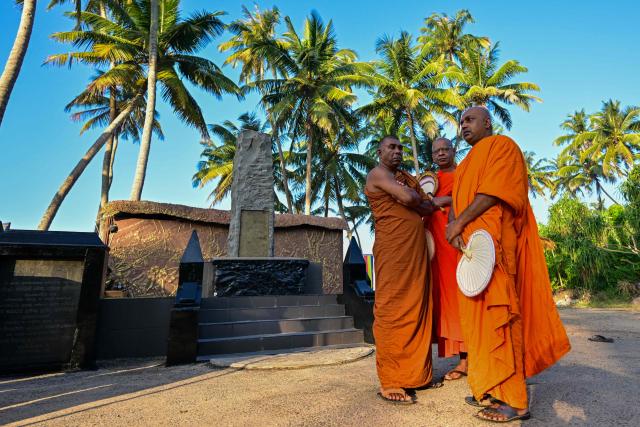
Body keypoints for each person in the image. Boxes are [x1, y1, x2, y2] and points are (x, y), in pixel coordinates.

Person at [446, 107, 571, 422]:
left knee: (503, 316)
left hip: (497, 249)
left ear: (487, 123)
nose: (464, 126)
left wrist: (458, 222)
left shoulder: (503, 146)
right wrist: (454, 229)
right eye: (461, 122)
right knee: (480, 324)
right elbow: (457, 204)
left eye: (470, 120)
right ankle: (490, 386)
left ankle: (515, 400)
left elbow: (494, 193)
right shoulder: (464, 166)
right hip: (473, 253)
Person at [365, 135, 438, 404]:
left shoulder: (405, 177)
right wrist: (417, 199)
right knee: (392, 309)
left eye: (400, 148)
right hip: (393, 252)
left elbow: (427, 205)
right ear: (380, 150)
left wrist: (418, 200)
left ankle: (414, 375)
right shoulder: (378, 174)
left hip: (414, 252)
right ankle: (392, 380)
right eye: (391, 147)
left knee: (415, 306)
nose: (397, 152)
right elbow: (410, 198)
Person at [426, 137, 468, 380]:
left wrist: (443, 200)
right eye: (436, 151)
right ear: (432, 156)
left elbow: (474, 196)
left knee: (462, 298)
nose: (441, 154)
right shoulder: (431, 181)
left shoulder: (464, 174)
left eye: (445, 149)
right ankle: (461, 358)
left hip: (457, 245)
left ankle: (466, 359)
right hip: (436, 251)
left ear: (453, 151)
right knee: (444, 303)